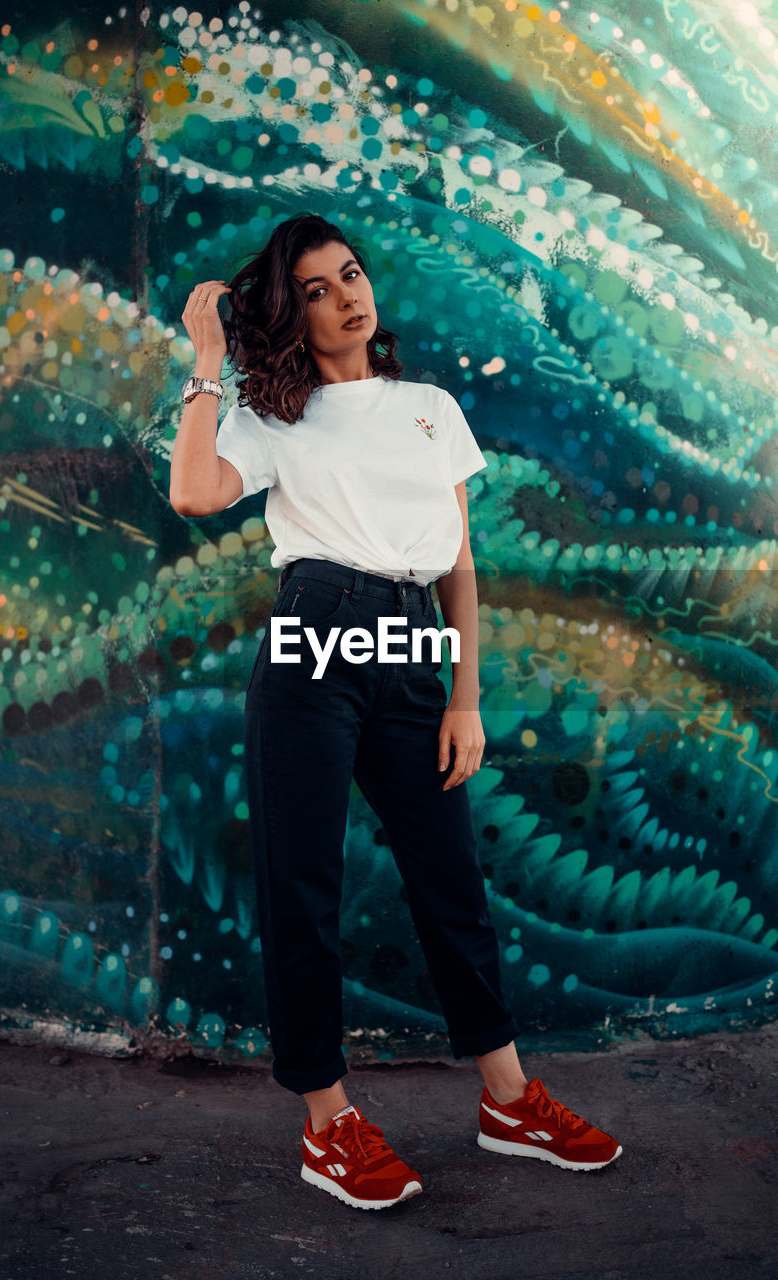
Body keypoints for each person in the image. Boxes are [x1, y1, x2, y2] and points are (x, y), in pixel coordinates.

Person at [169, 213, 623, 1211]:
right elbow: (196, 490)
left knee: (451, 877)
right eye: (320, 287)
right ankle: (327, 1121)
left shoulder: (429, 405)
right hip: (315, 638)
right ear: (293, 312)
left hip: (413, 645)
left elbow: (458, 560)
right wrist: (206, 367)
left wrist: (463, 694)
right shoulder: (268, 412)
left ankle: (508, 1100)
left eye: (352, 274)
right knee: (304, 882)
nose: (347, 294)